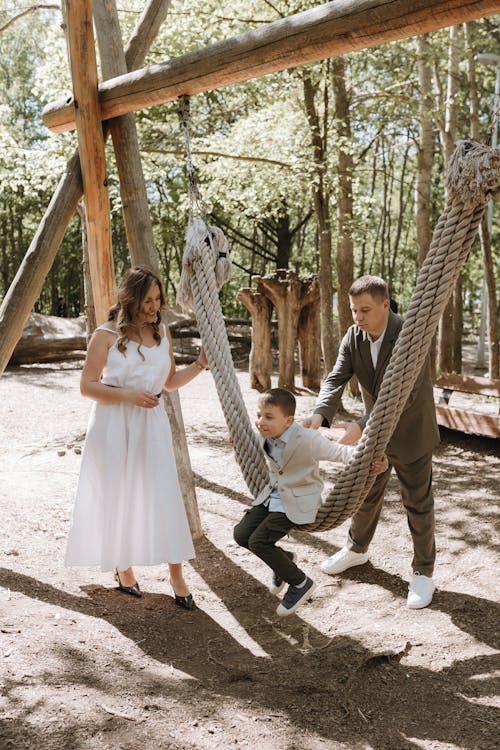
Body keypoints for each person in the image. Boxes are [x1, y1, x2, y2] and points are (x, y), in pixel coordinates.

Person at [65, 267, 208, 610]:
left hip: (151, 424)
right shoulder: (105, 336)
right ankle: (123, 567)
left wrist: (201, 364)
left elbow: (169, 382)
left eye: (158, 300)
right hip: (113, 424)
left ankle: (176, 574)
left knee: (164, 495)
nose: (154, 307)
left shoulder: (162, 332)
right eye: (147, 301)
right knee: (117, 495)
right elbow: (88, 386)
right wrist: (129, 395)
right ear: (130, 300)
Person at [303, 275, 440, 609]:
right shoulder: (353, 337)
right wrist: (320, 414)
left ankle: (423, 572)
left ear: (384, 304)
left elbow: (405, 395)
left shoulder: (411, 336)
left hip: (410, 431)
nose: (358, 317)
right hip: (376, 435)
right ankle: (356, 550)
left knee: (418, 503)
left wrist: (363, 425)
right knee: (365, 494)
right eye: (353, 310)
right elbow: (336, 376)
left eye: (365, 309)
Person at [233, 388, 387, 617]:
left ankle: (300, 582)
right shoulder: (265, 434)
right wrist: (237, 444)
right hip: (272, 496)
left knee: (259, 542)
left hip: (298, 500)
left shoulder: (307, 439)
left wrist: (375, 461)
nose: (260, 421)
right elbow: (251, 448)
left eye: (268, 417)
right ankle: (283, 561)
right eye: (258, 415)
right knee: (241, 535)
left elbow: (343, 453)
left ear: (289, 421)